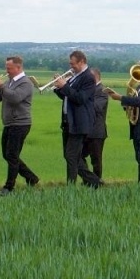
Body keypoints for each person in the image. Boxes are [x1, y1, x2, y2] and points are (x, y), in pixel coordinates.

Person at [0, 55, 39, 193]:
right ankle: (31, 177)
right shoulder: (9, 82)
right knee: (7, 154)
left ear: (18, 68)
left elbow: (15, 98)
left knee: (12, 155)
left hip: (21, 123)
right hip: (9, 123)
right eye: (6, 67)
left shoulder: (26, 83)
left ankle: (9, 187)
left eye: (9, 68)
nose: (6, 70)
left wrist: (1, 86)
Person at [53, 51, 102, 188]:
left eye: (73, 63)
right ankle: (94, 181)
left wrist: (64, 86)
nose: (71, 66)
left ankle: (71, 187)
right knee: (70, 156)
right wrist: (58, 88)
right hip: (68, 122)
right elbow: (67, 96)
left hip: (79, 123)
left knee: (71, 156)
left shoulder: (88, 78)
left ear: (81, 62)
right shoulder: (75, 77)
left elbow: (80, 98)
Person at [85, 68, 109, 181]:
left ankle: (97, 181)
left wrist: (84, 97)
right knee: (78, 156)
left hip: (97, 132)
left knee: (96, 160)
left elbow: (97, 108)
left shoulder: (102, 90)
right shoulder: (91, 90)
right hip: (86, 130)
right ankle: (89, 179)